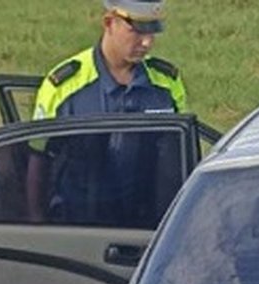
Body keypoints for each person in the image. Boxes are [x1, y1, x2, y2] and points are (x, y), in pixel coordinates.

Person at [27, 0, 188, 225]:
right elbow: (38, 159)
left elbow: (178, 159)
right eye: (136, 31)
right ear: (109, 22)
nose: (147, 42)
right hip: (81, 228)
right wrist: (38, 225)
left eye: (153, 32)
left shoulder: (166, 83)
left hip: (147, 225)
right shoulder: (64, 86)